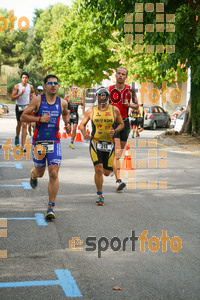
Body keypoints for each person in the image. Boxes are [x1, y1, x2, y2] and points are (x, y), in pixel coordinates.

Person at [20, 75, 71, 219]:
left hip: (54, 141)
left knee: (53, 172)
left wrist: (67, 124)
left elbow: (66, 113)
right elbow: (23, 117)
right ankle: (33, 174)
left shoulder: (62, 102)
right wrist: (39, 119)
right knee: (40, 173)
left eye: (56, 83)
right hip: (39, 142)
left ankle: (50, 207)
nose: (53, 85)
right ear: (46, 86)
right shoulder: (37, 101)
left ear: (59, 86)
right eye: (50, 83)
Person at [80, 87, 124, 205]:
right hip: (95, 142)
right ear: (97, 97)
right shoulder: (91, 111)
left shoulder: (114, 110)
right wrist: (84, 134)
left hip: (109, 144)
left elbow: (121, 124)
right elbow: (82, 124)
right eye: (101, 94)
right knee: (98, 169)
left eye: (105, 94)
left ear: (108, 96)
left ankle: (110, 171)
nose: (103, 96)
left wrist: (115, 131)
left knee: (106, 172)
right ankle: (100, 195)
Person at [107, 67, 139, 191]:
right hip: (113, 124)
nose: (120, 76)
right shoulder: (109, 90)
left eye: (123, 74)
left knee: (119, 154)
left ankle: (112, 166)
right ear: (115, 75)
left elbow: (137, 106)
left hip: (125, 123)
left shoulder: (130, 90)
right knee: (116, 152)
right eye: (119, 73)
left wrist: (129, 105)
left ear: (126, 77)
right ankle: (118, 181)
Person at [11, 72, 35, 149]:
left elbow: (33, 92)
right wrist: (21, 94)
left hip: (26, 107)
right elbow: (12, 98)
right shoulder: (17, 86)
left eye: (26, 78)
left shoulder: (30, 86)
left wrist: (32, 96)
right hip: (19, 107)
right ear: (21, 79)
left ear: (28, 79)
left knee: (24, 125)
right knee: (19, 124)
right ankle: (17, 136)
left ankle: (23, 145)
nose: (24, 79)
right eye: (23, 77)